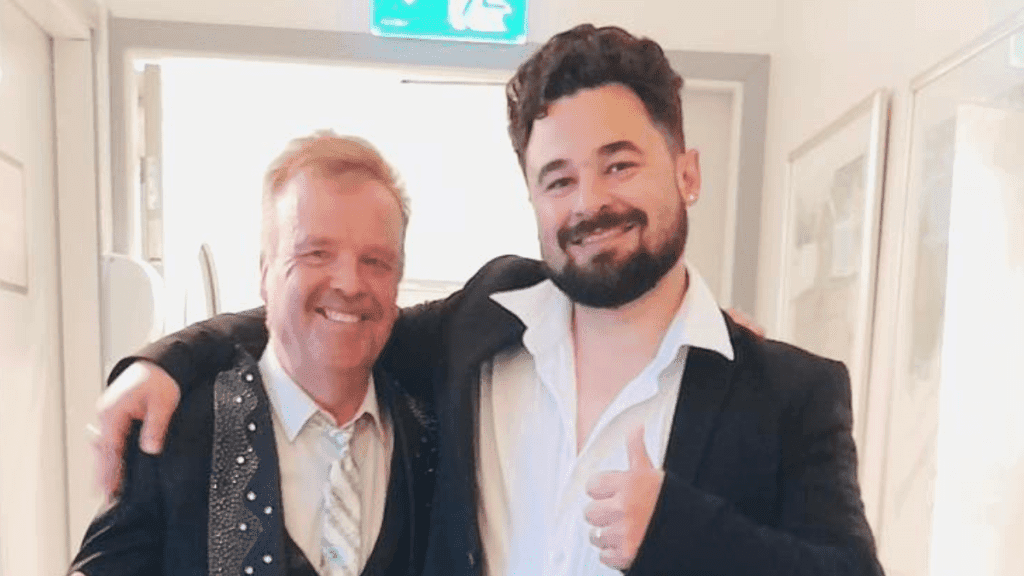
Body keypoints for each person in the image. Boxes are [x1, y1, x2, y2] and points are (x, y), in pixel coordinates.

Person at [92, 24, 885, 576]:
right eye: (559, 178)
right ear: (534, 200)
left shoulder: (789, 392)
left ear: (687, 173)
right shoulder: (482, 325)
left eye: (620, 164)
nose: (591, 204)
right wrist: (164, 360)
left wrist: (679, 531)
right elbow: (332, 318)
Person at [69, 134, 436, 576]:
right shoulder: (176, 428)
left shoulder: (436, 429)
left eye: (375, 261)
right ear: (265, 276)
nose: (350, 283)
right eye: (316, 253)